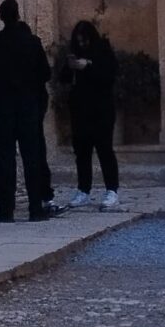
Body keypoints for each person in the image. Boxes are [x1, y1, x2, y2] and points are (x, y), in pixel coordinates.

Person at [0, 0, 55, 221]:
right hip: (28, 107)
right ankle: (35, 208)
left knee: (4, 158)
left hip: (2, 107)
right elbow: (45, 74)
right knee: (32, 157)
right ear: (18, 15)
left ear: (1, 16)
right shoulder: (32, 43)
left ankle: (6, 208)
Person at [61, 20, 121, 209]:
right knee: (82, 152)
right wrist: (70, 66)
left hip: (101, 109)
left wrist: (88, 66)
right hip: (80, 109)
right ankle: (83, 190)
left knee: (104, 149)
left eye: (84, 41)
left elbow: (108, 76)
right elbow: (63, 79)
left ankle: (112, 190)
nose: (81, 44)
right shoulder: (75, 53)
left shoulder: (102, 51)